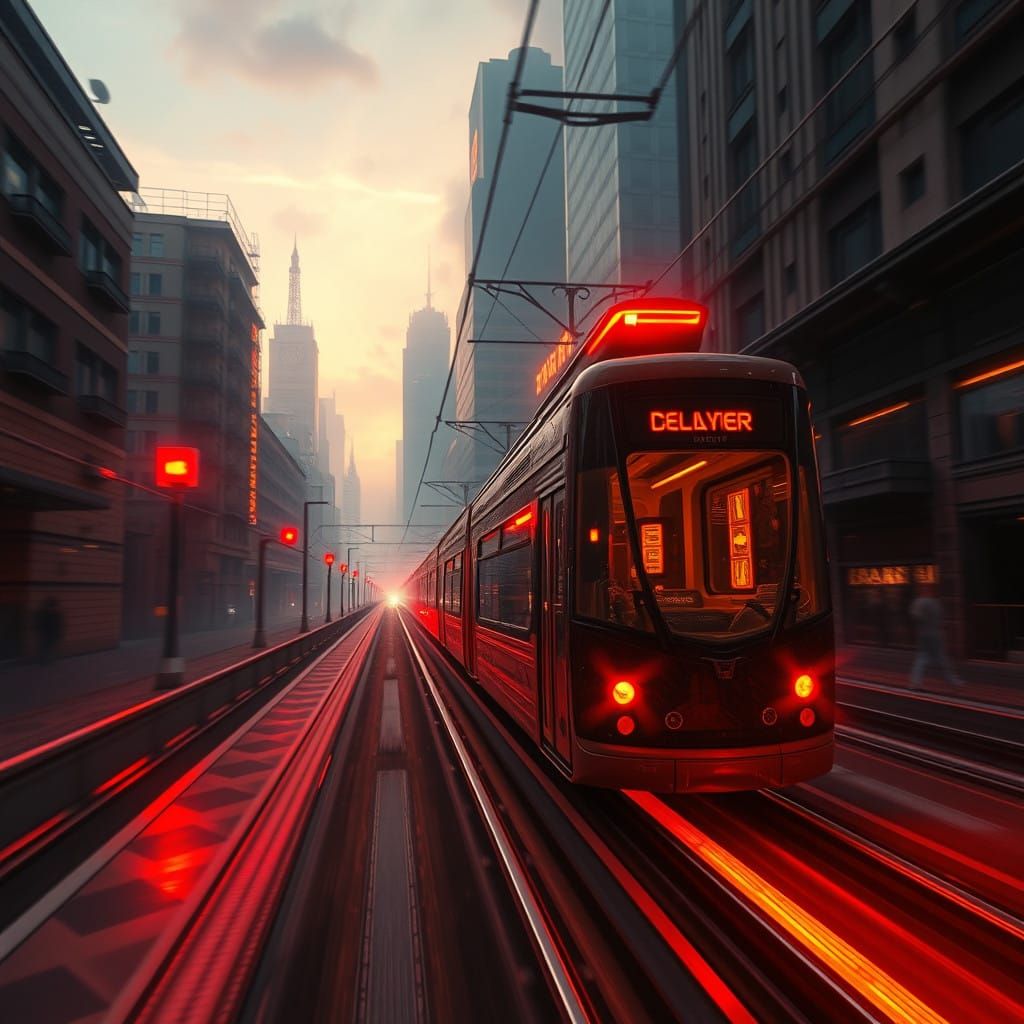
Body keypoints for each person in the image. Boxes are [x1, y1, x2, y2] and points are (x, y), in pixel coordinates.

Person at [909, 583, 963, 689]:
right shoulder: (933, 602)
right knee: (941, 658)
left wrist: (921, 625)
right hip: (934, 633)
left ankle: (915, 682)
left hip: (924, 634)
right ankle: (952, 680)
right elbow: (939, 619)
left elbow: (915, 616)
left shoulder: (919, 602)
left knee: (923, 657)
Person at [34, 596, 64, 665]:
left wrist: (58, 633)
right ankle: (45, 660)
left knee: (49, 648)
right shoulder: (46, 614)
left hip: (51, 634)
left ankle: (47, 660)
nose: (53, 608)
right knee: (45, 648)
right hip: (47, 634)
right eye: (52, 606)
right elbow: (41, 624)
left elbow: (59, 624)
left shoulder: (56, 614)